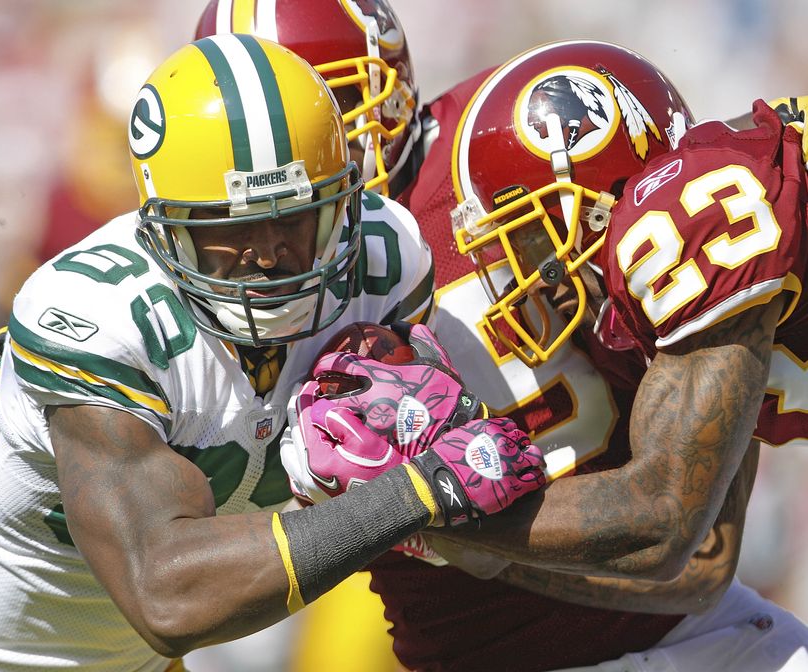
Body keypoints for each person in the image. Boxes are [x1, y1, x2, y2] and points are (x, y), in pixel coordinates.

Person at [0, 34, 547, 671]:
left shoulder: (384, 261)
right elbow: (167, 597)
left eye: (296, 216)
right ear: (164, 228)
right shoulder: (102, 320)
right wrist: (417, 492)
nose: (269, 252)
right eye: (230, 226)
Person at [285, 40, 808, 671]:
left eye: (532, 231)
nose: (528, 270)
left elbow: (674, 532)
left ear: (615, 202)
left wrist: (427, 512)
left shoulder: (697, 235)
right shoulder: (695, 237)